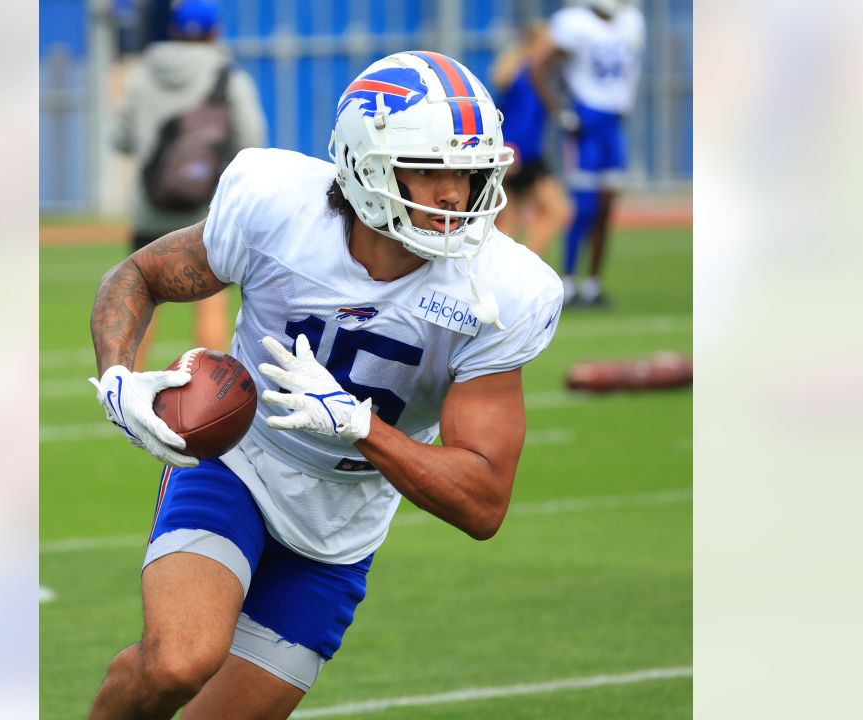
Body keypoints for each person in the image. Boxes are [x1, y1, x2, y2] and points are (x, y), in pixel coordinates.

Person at [85, 51, 563, 719]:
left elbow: (483, 502)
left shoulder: (505, 289)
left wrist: (364, 429)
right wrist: (117, 374)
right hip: (240, 461)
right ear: (365, 165)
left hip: (342, 524)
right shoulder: (277, 206)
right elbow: (138, 277)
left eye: (469, 168)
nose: (455, 193)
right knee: (176, 662)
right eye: (430, 169)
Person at [111, 0, 267, 364]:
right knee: (210, 305)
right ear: (215, 33)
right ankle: (209, 399)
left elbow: (120, 139)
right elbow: (252, 141)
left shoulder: (143, 75)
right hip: (206, 210)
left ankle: (126, 393)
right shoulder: (229, 78)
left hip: (151, 208)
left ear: (174, 30)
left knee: (141, 302)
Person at [534, 0, 645, 307]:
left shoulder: (631, 20)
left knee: (607, 206)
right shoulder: (574, 23)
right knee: (584, 207)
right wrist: (560, 112)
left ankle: (593, 284)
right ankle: (568, 282)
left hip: (613, 123)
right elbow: (540, 69)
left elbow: (630, 72)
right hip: (586, 123)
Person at [489, 21, 573, 257]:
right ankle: (523, 267)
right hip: (521, 154)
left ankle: (506, 273)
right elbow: (521, 120)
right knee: (557, 210)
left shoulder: (529, 74)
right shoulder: (527, 76)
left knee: (508, 222)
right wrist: (513, 152)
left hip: (519, 153)